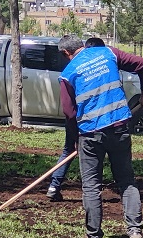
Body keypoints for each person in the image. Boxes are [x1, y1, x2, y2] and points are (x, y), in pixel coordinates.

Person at [58, 34, 143, 238]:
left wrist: (75, 140)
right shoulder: (108, 52)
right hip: (119, 127)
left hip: (90, 134)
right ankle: (135, 231)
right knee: (126, 180)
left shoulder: (67, 74)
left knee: (91, 186)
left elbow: (69, 112)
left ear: (66, 53)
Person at [46, 38, 107, 202]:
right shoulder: (92, 66)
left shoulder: (77, 67)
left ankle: (54, 186)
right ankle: (92, 189)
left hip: (81, 120)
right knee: (89, 152)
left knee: (70, 151)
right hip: (88, 122)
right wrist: (76, 132)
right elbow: (69, 109)